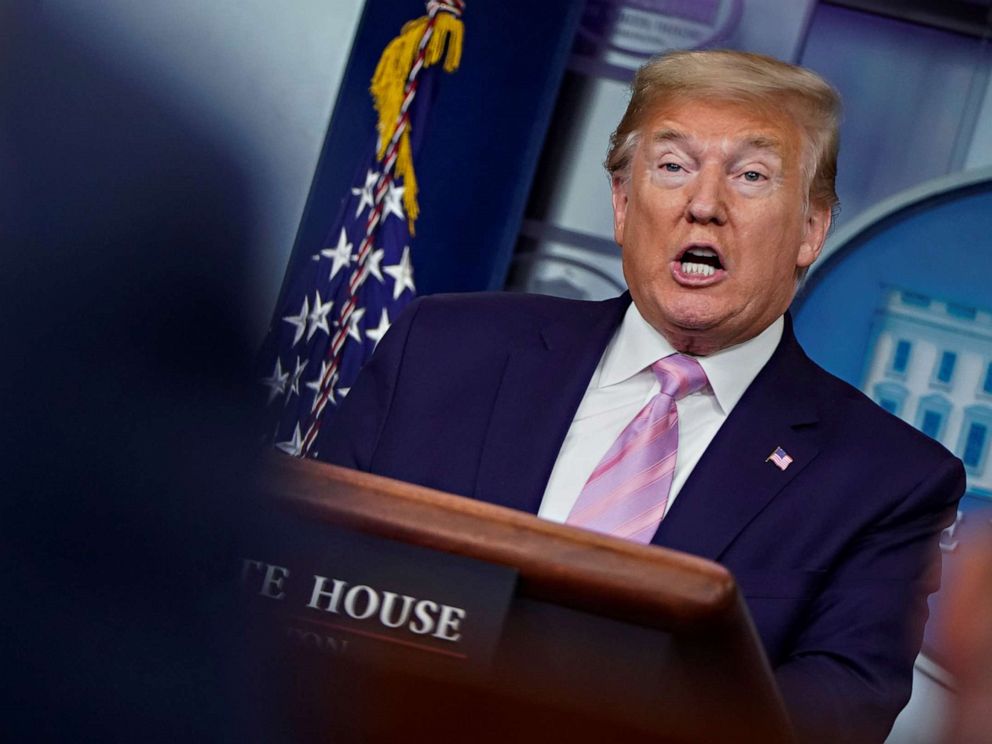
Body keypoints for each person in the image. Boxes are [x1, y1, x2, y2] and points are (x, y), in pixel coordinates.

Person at [317, 50, 965, 742]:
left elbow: (828, 719)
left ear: (811, 228)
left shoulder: (886, 481)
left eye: (751, 175)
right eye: (673, 166)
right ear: (624, 205)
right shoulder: (442, 351)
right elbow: (296, 572)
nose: (705, 205)